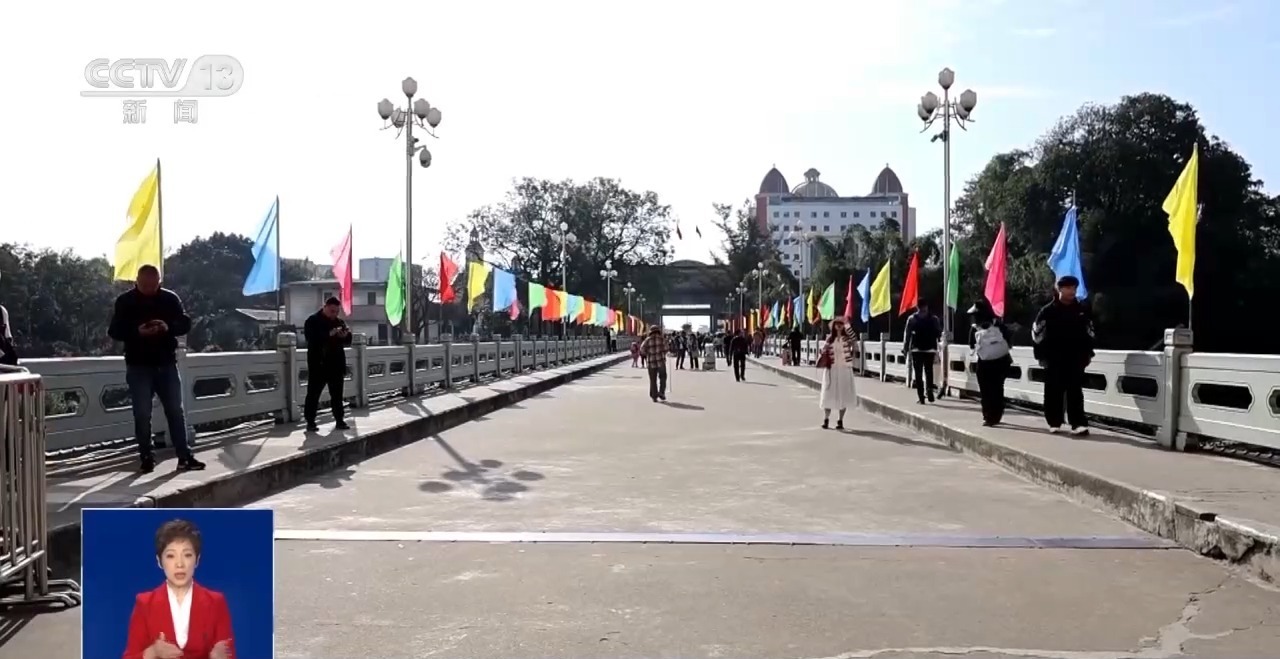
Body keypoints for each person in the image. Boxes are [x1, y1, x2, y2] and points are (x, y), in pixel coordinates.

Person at [108, 265, 205, 474]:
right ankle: (146, 456)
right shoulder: (125, 301)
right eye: (145, 286)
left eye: (154, 286)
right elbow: (114, 330)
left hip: (166, 363)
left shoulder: (170, 299)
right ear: (137, 281)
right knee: (142, 413)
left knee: (175, 411)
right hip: (138, 365)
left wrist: (167, 327)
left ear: (159, 282)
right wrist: (137, 331)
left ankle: (184, 456)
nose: (150, 290)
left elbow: (184, 323)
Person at [123, 519, 234, 659]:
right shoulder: (145, 603)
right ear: (159, 561)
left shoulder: (216, 602)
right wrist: (153, 652)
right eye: (171, 556)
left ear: (197, 560)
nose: (180, 564)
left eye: (187, 555)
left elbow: (229, 654)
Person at [1032, 275, 1095, 435]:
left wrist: (1088, 353)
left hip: (1076, 357)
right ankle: (1054, 421)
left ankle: (1078, 423)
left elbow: (1090, 333)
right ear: (1059, 289)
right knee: (1053, 390)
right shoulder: (1047, 311)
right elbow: (1037, 334)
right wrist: (1040, 356)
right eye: (1068, 288)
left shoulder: (1082, 310)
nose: (1071, 291)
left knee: (1075, 390)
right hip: (1053, 357)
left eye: (1074, 288)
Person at [303, 297, 353, 432]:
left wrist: (345, 336)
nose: (334, 314)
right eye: (332, 311)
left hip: (336, 364)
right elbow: (311, 339)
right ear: (324, 307)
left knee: (337, 395)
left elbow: (348, 340)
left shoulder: (339, 322)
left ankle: (339, 420)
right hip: (318, 364)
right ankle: (310, 421)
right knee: (313, 394)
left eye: (336, 312)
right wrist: (329, 334)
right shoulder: (312, 321)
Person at [968, 299, 1013, 426]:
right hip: (1002, 361)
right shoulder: (998, 324)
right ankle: (997, 415)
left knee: (985, 391)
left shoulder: (974, 328)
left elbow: (971, 346)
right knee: (998, 389)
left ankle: (988, 416)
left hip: (984, 363)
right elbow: (1009, 342)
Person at [818, 316, 859, 429]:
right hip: (831, 369)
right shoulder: (830, 339)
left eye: (841, 324)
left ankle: (840, 420)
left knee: (843, 394)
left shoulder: (847, 339)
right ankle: (826, 419)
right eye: (837, 324)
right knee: (828, 394)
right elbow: (823, 351)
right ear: (834, 326)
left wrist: (847, 324)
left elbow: (854, 338)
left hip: (844, 369)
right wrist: (824, 351)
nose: (839, 326)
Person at [901, 301, 942, 404]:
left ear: (917, 307)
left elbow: (907, 335)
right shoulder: (934, 318)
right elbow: (939, 333)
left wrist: (905, 348)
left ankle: (921, 397)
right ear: (927, 306)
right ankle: (929, 390)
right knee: (929, 371)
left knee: (918, 374)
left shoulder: (912, 319)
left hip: (916, 349)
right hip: (930, 349)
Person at [639, 326, 669, 402]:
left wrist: (648, 353)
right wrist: (662, 353)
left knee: (653, 379)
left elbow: (642, 349)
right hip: (661, 361)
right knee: (663, 377)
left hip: (651, 362)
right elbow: (666, 348)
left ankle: (654, 396)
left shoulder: (647, 340)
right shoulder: (662, 339)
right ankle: (661, 392)